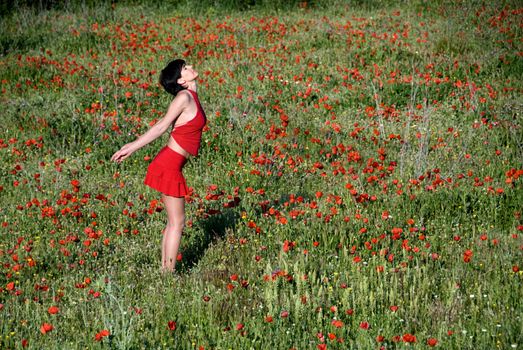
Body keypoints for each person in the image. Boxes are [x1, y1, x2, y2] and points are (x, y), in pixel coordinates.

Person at [111, 59, 206, 273]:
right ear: (181, 80)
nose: (190, 66)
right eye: (185, 68)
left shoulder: (191, 96)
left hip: (171, 163)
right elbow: (161, 126)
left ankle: (165, 271)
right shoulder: (184, 97)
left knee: (174, 222)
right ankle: (168, 273)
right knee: (178, 223)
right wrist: (132, 147)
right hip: (169, 165)